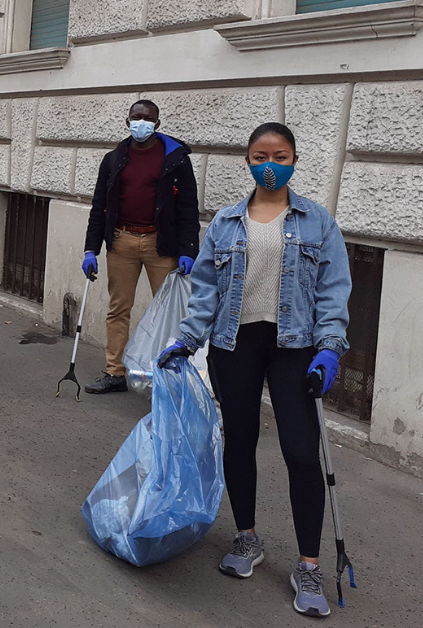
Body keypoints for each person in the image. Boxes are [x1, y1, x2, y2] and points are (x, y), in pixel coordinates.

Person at [158, 123, 351, 618]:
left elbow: (333, 289)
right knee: (239, 441)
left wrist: (329, 349)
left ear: (294, 159)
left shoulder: (318, 222)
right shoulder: (223, 223)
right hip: (233, 344)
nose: (270, 163)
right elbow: (205, 290)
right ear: (247, 160)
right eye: (261, 155)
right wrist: (186, 339)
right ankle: (247, 538)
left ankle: (308, 563)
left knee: (301, 453)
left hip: (295, 349)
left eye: (280, 154)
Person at [81, 99, 200, 393]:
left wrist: (188, 249)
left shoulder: (175, 159)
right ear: (127, 121)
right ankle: (115, 371)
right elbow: (100, 206)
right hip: (121, 241)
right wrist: (90, 249)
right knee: (118, 308)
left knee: (171, 313)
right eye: (136, 117)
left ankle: (169, 376)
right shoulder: (114, 158)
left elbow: (188, 206)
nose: (141, 122)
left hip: (162, 245)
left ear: (157, 124)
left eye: (147, 118)